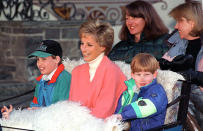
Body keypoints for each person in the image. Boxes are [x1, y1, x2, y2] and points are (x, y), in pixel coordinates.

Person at [69, 19, 127, 119]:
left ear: (103, 47)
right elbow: (71, 107)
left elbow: (104, 113)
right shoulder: (76, 71)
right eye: (82, 43)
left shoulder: (112, 72)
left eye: (89, 45)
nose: (83, 48)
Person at [159, 1, 203, 129]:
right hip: (187, 99)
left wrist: (190, 76)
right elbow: (161, 66)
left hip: (196, 96)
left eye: (180, 21)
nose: (176, 26)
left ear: (192, 22)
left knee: (186, 90)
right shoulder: (178, 42)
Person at [1, 40, 71, 119]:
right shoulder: (41, 80)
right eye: (38, 59)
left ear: (56, 59)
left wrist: (38, 111)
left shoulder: (64, 79)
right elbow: (34, 107)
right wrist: (14, 114)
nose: (39, 64)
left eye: (43, 59)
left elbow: (62, 112)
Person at [114, 53, 168, 131]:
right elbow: (122, 106)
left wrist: (123, 115)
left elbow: (147, 106)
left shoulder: (157, 91)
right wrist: (115, 117)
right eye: (138, 74)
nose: (142, 79)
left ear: (154, 75)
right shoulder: (132, 89)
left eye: (146, 74)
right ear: (132, 75)